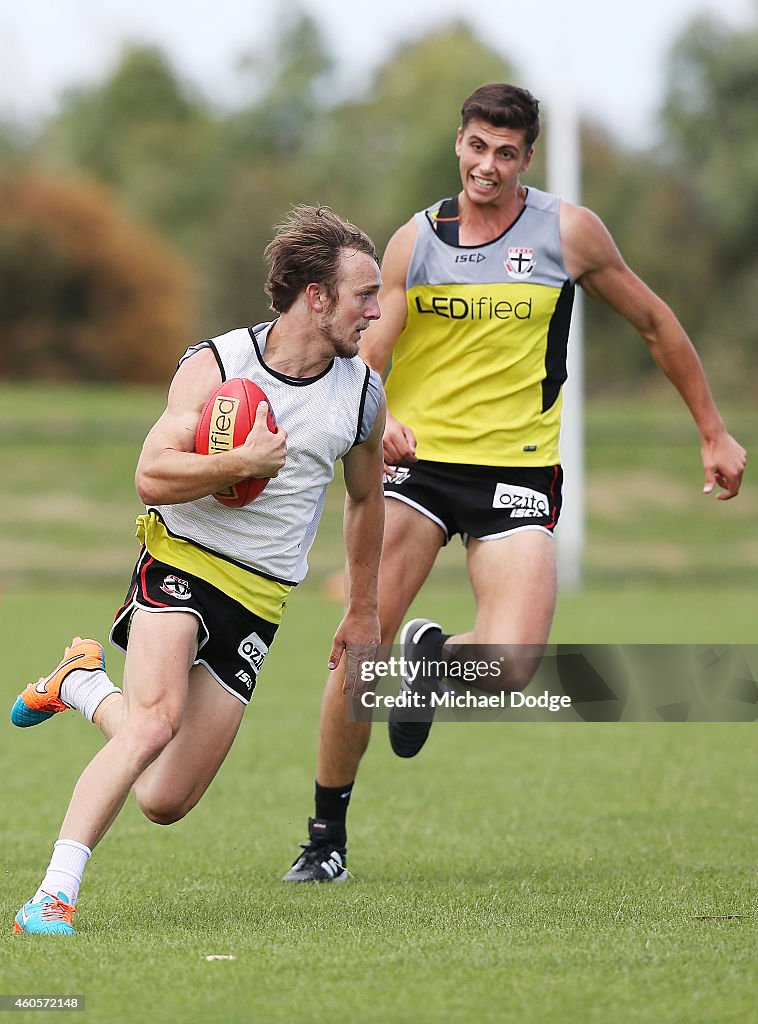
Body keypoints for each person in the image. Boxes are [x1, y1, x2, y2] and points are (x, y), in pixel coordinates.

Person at [283, 83, 747, 883]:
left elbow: (653, 322)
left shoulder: (568, 233)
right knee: (359, 653)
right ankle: (325, 841)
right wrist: (376, 416)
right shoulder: (414, 244)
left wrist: (712, 429)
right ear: (457, 144)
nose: (486, 166)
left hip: (519, 471)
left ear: (526, 157)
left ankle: (430, 667)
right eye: (475, 147)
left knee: (513, 662)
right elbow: (366, 359)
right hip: (419, 469)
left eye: (505, 152)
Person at [11, 205, 386, 933]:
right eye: (364, 295)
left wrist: (363, 606)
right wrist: (239, 464)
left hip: (260, 600)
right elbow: (151, 473)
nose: (377, 310)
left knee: (164, 798)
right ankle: (52, 895)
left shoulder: (363, 393)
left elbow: (367, 500)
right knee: (153, 723)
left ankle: (81, 682)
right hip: (181, 562)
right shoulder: (216, 366)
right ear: (317, 296)